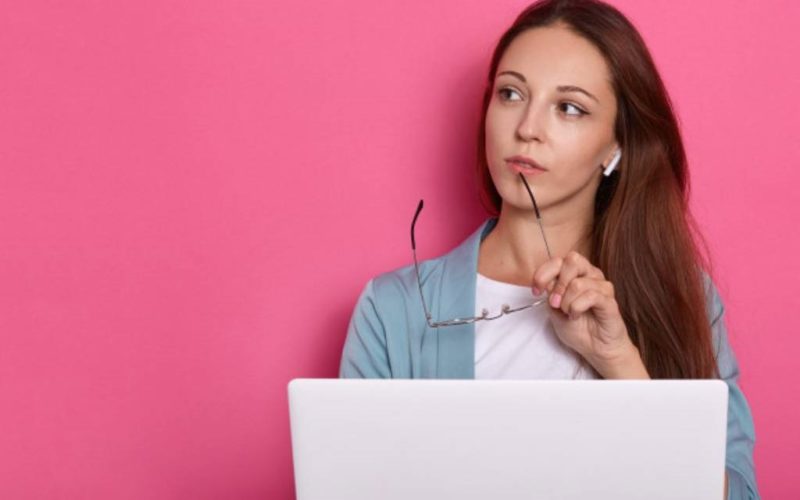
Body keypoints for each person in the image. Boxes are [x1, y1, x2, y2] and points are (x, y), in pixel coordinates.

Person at [338, 0, 759, 498]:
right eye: (511, 94)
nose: (527, 128)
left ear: (616, 146)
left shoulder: (685, 298)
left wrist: (620, 363)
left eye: (569, 107)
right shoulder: (392, 312)